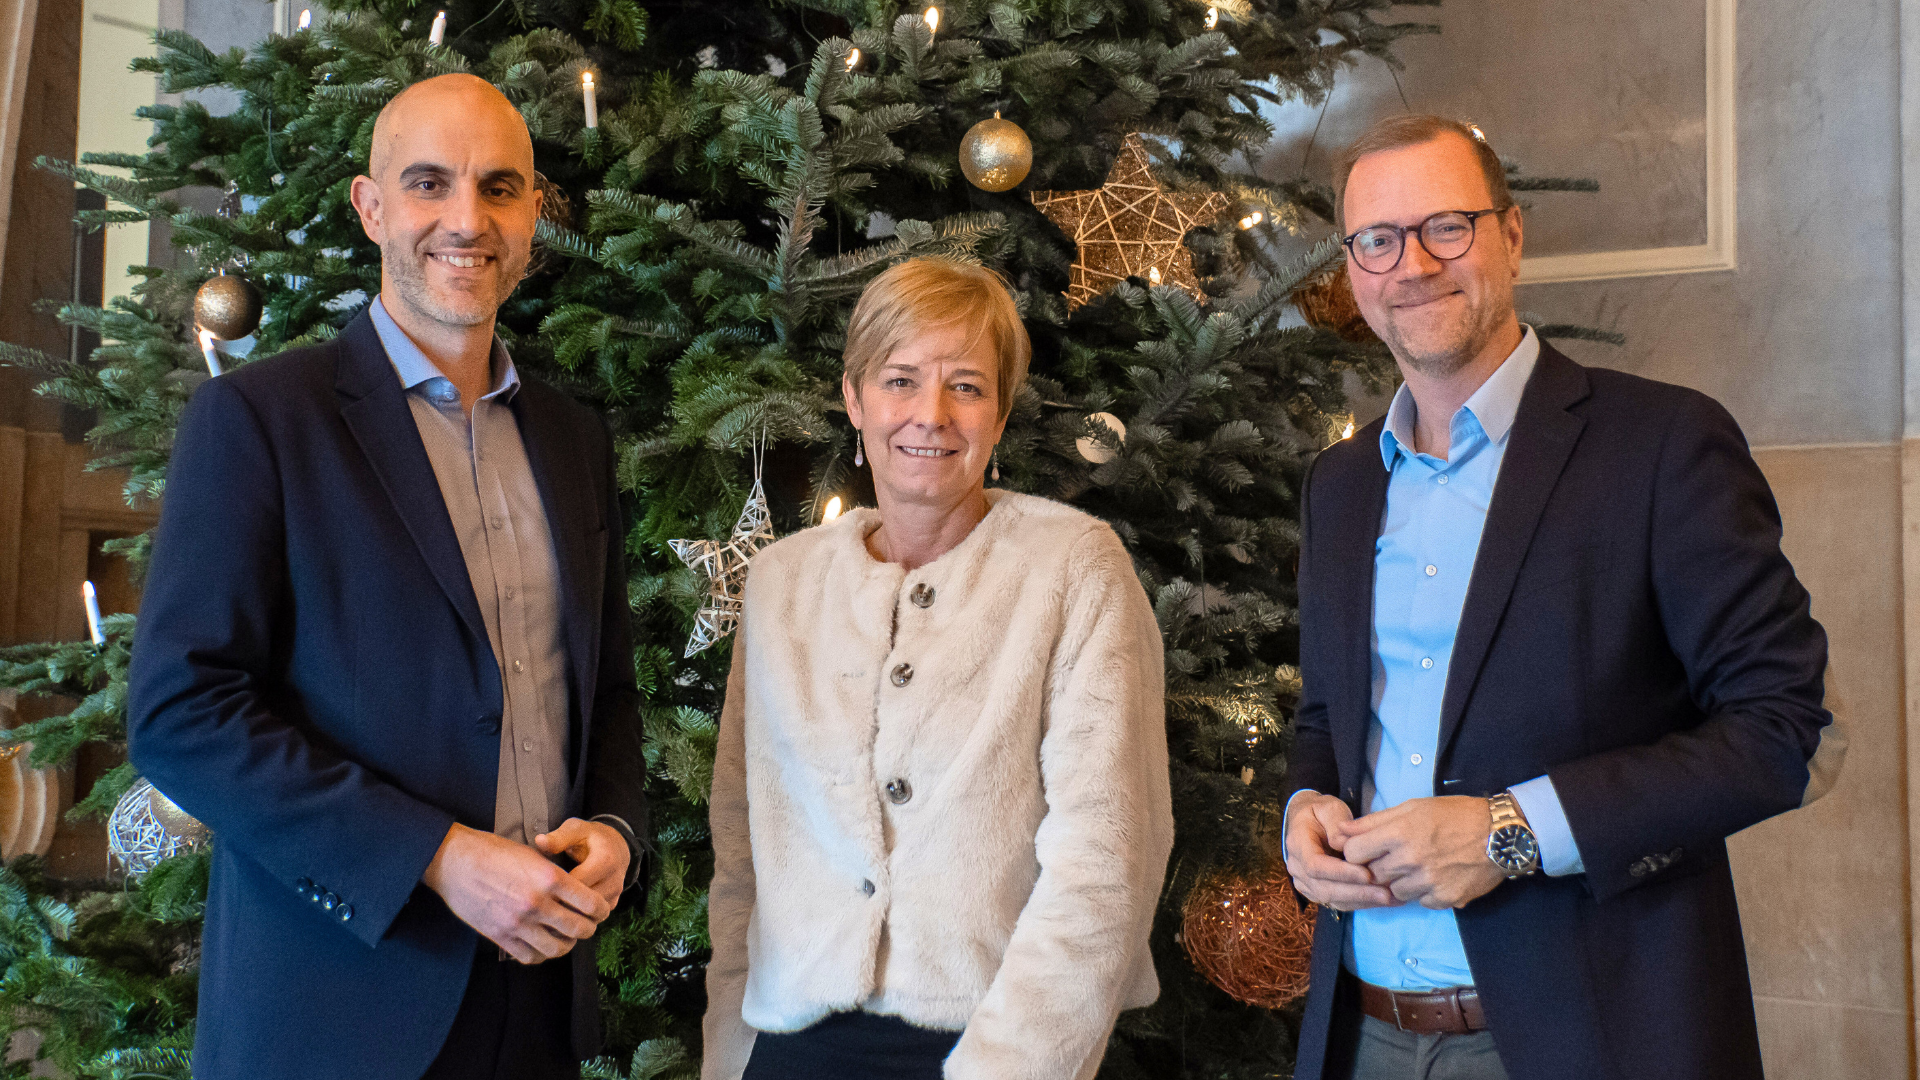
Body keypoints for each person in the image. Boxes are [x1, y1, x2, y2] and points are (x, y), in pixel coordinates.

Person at [1282, 115, 1839, 1080]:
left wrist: (1510, 834)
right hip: (1360, 1034)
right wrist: (1302, 808)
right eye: (1376, 239)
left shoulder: (1662, 445)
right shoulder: (1340, 484)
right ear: (1352, 267)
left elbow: (1786, 728)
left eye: (1445, 226)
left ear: (1511, 234)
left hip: (1593, 1035)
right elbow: (1328, 715)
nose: (1410, 263)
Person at [126, 74, 648, 1080]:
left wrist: (618, 827)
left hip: (539, 1002)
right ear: (372, 208)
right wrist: (436, 856)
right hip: (336, 1010)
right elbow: (182, 714)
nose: (467, 219)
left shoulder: (575, 439)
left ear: (535, 214)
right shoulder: (262, 421)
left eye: (500, 188)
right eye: (428, 184)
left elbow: (610, 688)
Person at [701, 257, 1175, 1080]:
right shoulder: (781, 581)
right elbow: (742, 844)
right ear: (854, 400)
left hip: (992, 1044)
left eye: (966, 385)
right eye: (900, 380)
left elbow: (1108, 860)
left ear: (999, 413)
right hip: (789, 1047)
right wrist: (726, 1053)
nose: (930, 415)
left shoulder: (1074, 568)